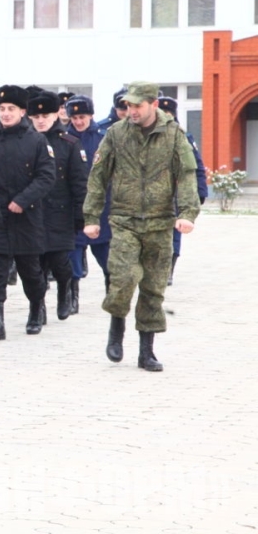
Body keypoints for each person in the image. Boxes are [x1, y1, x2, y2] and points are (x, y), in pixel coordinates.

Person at [83, 82, 200, 372]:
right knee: (123, 278)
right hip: (124, 220)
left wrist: (188, 213)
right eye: (128, 105)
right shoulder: (116, 133)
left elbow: (186, 175)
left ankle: (146, 351)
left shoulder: (173, 134)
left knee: (153, 287)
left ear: (153, 104)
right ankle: (116, 329)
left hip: (160, 222)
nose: (131, 111)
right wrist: (91, 218)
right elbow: (98, 176)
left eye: (137, 105)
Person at [0, 85, 56, 342]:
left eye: (11, 108)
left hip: (26, 218)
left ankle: (36, 309)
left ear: (22, 111)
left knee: (30, 272)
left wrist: (23, 200)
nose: (6, 113)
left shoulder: (37, 141)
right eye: (2, 109)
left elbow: (46, 176)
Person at [26, 91, 88, 324]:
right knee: (35, 267)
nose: (41, 121)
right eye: (36, 117)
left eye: (46, 116)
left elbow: (79, 182)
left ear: (56, 115)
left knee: (60, 261)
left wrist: (80, 214)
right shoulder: (26, 142)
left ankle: (65, 290)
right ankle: (37, 308)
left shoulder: (69, 143)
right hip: (32, 213)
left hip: (60, 212)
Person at [65, 95, 110, 314]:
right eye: (74, 118)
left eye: (82, 117)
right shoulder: (64, 138)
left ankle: (112, 294)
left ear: (91, 115)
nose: (78, 121)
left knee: (107, 256)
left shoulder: (104, 138)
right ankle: (72, 297)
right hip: (74, 206)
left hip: (101, 206)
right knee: (72, 254)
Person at [157, 95, 208, 285]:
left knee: (175, 232)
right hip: (153, 194)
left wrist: (200, 192)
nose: (165, 117)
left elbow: (197, 167)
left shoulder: (184, 137)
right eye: (162, 113)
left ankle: (169, 268)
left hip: (175, 194)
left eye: (168, 113)